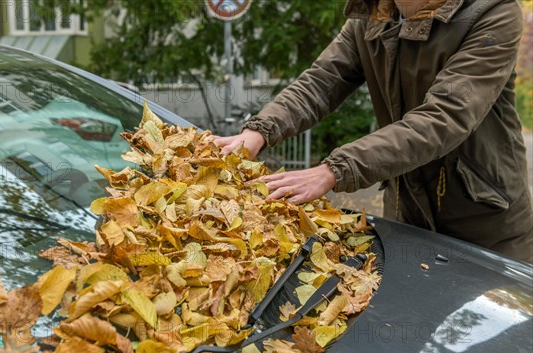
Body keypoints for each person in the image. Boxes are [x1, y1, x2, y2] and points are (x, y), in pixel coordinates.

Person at [212, 0, 533, 264]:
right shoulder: (372, 16)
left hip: (487, 226)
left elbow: (446, 116)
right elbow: (321, 83)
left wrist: (334, 170)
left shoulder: (494, 13)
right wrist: (258, 132)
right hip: (407, 216)